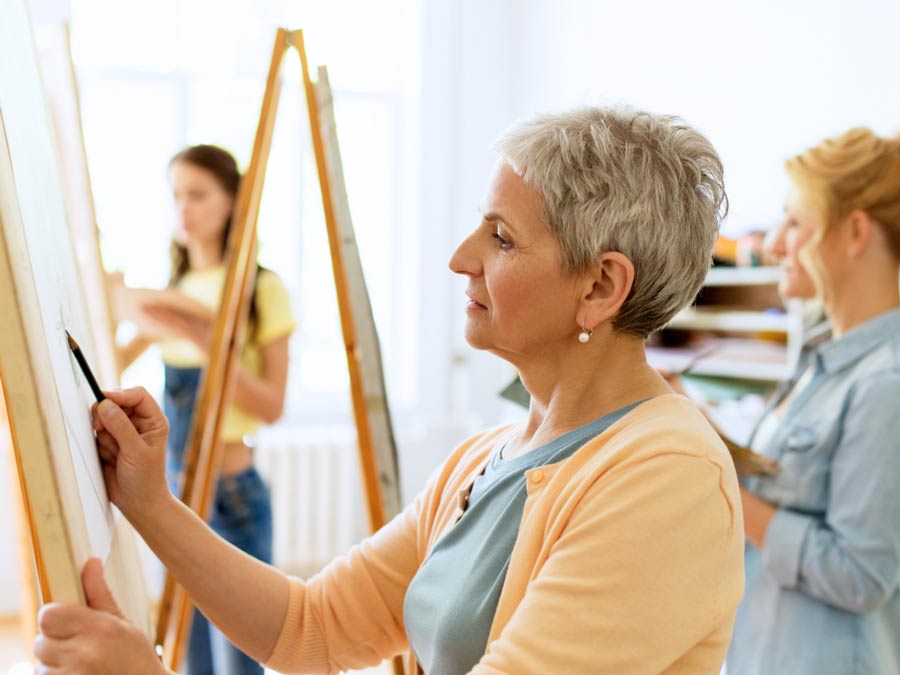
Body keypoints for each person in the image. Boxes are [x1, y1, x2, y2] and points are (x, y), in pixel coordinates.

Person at [35, 107, 744, 675]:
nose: (460, 256)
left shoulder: (667, 476)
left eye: (500, 238)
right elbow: (310, 627)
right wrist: (149, 501)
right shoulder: (487, 456)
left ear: (600, 286)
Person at [719, 128, 900, 674]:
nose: (775, 244)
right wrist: (697, 430)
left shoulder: (884, 385)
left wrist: (725, 491)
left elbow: (862, 575)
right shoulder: (822, 360)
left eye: (794, 221)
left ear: (855, 232)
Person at [114, 144, 296, 675]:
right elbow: (107, 354)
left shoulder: (261, 288)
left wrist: (204, 336)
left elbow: (272, 405)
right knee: (187, 662)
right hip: (174, 497)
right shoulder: (175, 291)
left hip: (231, 501)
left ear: (231, 202)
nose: (184, 210)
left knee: (239, 664)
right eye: (176, 196)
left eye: (197, 195)